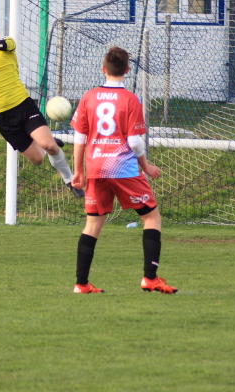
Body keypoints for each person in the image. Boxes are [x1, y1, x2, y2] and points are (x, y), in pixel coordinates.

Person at [70, 47, 177, 294]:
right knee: (151, 218)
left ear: (103, 69)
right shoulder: (130, 99)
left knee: (92, 225)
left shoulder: (88, 97)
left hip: (95, 168)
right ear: (127, 70)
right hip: (124, 169)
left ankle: (81, 284)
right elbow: (135, 141)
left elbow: (80, 136)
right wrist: (145, 165)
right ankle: (150, 278)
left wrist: (78, 170)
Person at [0, 22, 83, 197]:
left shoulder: (6, 46)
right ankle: (47, 139)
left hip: (23, 106)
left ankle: (70, 180)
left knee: (49, 146)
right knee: (37, 159)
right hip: (2, 116)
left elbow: (7, 44)